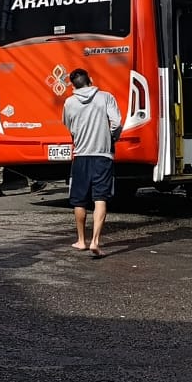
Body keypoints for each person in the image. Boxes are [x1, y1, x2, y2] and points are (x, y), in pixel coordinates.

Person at [61, 68, 121, 259]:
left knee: (79, 200)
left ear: (73, 85)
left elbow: (69, 125)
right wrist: (111, 137)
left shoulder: (69, 102)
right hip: (103, 156)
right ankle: (95, 241)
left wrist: (78, 135)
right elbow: (117, 123)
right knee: (100, 198)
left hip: (81, 156)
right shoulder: (105, 97)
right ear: (91, 80)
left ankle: (81, 240)